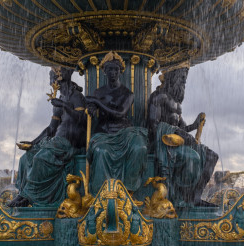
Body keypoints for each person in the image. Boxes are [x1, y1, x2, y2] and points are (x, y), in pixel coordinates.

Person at [8, 67, 86, 207]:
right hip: (56, 140)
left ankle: (28, 197)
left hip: (69, 142)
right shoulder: (60, 99)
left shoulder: (76, 97)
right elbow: (51, 129)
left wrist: (64, 105)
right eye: (52, 83)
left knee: (40, 158)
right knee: (26, 158)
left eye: (56, 83)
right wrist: (32, 143)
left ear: (62, 80)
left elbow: (82, 119)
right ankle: (22, 194)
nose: (54, 86)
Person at [148, 65, 218, 206]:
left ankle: (195, 197)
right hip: (164, 143)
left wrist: (195, 124)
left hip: (178, 141)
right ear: (170, 78)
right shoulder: (159, 97)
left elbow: (183, 129)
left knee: (212, 156)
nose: (183, 84)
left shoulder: (177, 104)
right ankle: (180, 194)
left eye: (184, 81)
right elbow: (153, 125)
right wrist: (173, 132)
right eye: (181, 80)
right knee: (193, 158)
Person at [86, 51, 148, 194]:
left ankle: (128, 190)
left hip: (126, 133)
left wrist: (96, 102)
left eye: (116, 69)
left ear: (120, 71)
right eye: (109, 69)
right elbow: (92, 109)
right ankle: (104, 193)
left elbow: (120, 113)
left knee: (141, 148)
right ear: (104, 71)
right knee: (101, 152)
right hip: (104, 133)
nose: (113, 72)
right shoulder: (98, 92)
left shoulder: (128, 94)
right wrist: (90, 108)